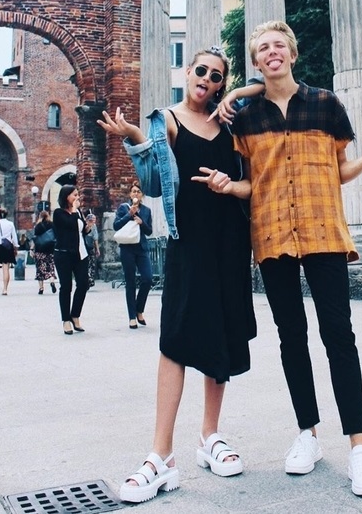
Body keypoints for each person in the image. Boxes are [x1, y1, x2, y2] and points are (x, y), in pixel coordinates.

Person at [225, 20, 362, 497]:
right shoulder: (245, 119)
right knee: (291, 338)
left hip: (324, 232)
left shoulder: (326, 104)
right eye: (263, 48)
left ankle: (360, 447)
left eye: (279, 45)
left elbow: (339, 171)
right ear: (257, 61)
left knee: (339, 336)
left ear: (293, 53)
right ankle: (308, 434)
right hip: (273, 234)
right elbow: (250, 184)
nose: (272, 52)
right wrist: (228, 185)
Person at [98, 46, 255, 503]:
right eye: (200, 71)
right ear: (187, 73)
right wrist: (134, 138)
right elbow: (151, 183)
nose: (207, 78)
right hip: (188, 242)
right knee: (176, 339)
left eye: (217, 76)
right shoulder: (166, 119)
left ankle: (211, 436)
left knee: (221, 334)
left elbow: (271, 89)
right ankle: (161, 456)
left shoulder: (232, 120)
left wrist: (239, 92)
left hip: (230, 240)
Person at [52, 185, 93, 335]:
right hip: (64, 254)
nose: (77, 198)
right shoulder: (58, 213)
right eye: (74, 195)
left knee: (83, 284)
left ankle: (75, 315)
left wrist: (88, 226)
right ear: (66, 197)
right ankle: (66, 320)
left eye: (78, 195)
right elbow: (69, 224)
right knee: (66, 286)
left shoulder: (78, 213)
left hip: (80, 254)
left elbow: (81, 231)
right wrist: (75, 211)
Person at [113, 183, 153, 329]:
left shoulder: (147, 211)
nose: (136, 194)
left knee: (147, 279)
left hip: (141, 249)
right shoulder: (124, 208)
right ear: (130, 195)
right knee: (130, 282)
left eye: (138, 192)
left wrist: (141, 222)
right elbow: (116, 226)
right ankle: (132, 317)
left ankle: (139, 309)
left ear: (141, 195)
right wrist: (129, 215)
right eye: (133, 192)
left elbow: (149, 231)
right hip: (127, 249)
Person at [0, 207, 18, 295]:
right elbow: (14, 237)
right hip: (7, 247)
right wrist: (16, 248)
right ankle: (5, 289)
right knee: (6, 268)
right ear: (6, 215)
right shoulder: (10, 224)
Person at [33, 210, 57, 295]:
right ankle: (52, 282)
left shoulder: (38, 226)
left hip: (39, 250)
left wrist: (32, 249)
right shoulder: (52, 225)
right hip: (50, 250)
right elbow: (56, 236)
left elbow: (35, 239)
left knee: (40, 269)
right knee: (50, 267)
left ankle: (41, 288)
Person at [83, 209, 100, 287]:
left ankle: (87, 279)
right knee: (91, 263)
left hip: (84, 246)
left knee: (87, 263)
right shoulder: (92, 226)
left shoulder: (83, 224)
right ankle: (89, 279)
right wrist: (97, 249)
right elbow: (95, 238)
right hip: (89, 246)